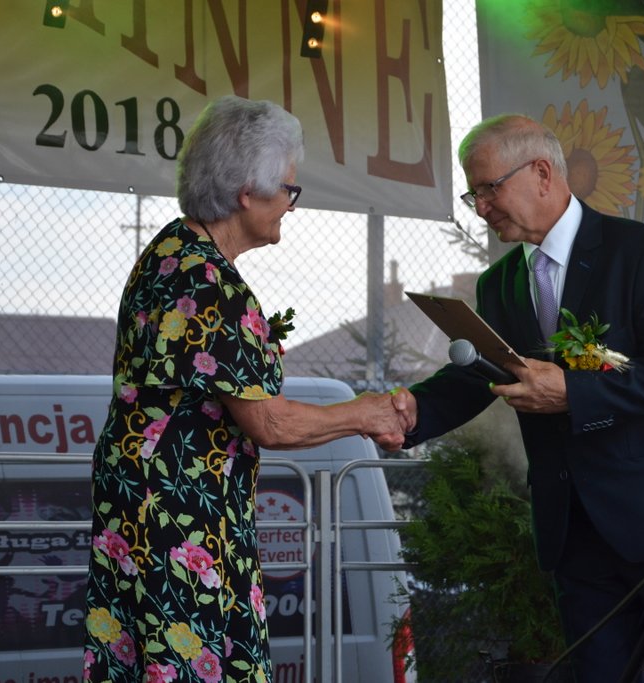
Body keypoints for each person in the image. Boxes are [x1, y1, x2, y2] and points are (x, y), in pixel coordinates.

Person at [391, 114, 644, 682]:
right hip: (575, 532)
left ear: (542, 173)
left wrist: (573, 392)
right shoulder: (499, 283)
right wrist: (411, 412)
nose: (481, 208)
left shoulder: (641, 252)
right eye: (473, 194)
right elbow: (483, 376)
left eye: (488, 189)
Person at [82, 96, 411, 681]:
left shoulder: (168, 252)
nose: (292, 204)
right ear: (246, 193)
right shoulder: (215, 290)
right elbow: (270, 423)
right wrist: (364, 413)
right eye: (288, 188)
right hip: (182, 519)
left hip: (135, 505)